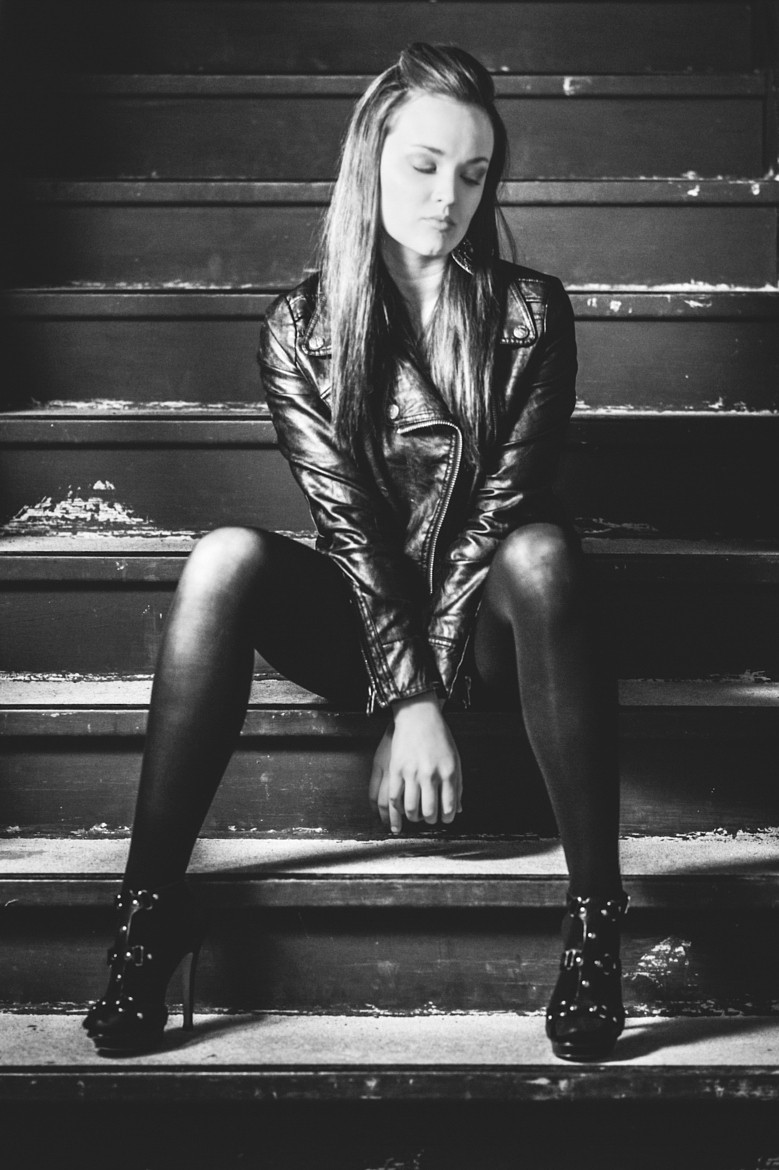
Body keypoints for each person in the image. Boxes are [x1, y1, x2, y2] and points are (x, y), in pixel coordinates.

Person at [83, 42, 627, 1062]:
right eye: (422, 165)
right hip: (367, 622)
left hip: (497, 624)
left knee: (540, 550)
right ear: (369, 161)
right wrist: (403, 698)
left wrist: (430, 693)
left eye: (473, 175)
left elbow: (493, 515)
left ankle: (596, 920)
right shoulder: (300, 329)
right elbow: (348, 528)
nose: (447, 198)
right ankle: (148, 913)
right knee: (221, 559)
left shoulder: (528, 312)